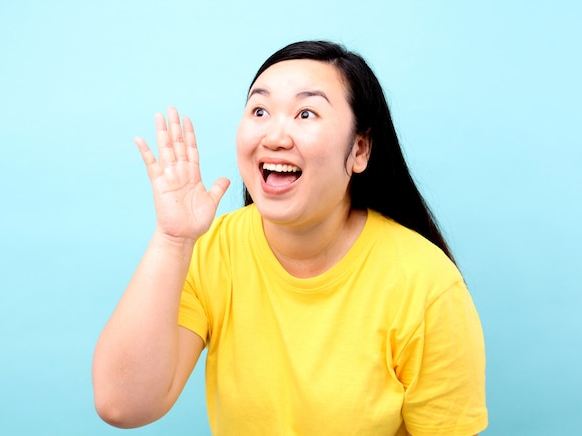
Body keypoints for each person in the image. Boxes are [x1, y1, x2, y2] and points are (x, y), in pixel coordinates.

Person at [92, 40, 488, 436]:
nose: (276, 136)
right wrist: (173, 240)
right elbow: (122, 406)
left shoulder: (427, 284)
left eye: (306, 113)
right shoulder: (213, 250)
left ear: (360, 150)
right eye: (260, 110)